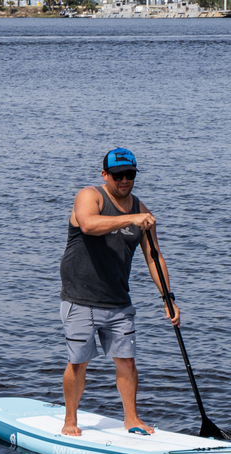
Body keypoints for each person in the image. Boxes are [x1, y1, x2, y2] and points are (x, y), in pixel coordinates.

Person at [59, 148, 180, 438]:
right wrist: (131, 220)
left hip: (118, 299)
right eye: (118, 175)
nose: (124, 180)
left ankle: (132, 419)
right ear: (105, 175)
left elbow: (154, 257)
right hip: (80, 296)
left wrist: (168, 297)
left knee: (127, 361)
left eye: (130, 175)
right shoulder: (90, 196)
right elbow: (88, 224)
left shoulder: (143, 212)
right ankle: (70, 420)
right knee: (79, 361)